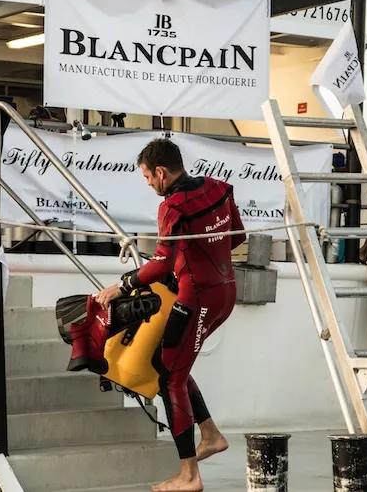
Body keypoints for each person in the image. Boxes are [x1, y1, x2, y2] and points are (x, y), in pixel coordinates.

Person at [94, 137, 244, 492]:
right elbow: (235, 236)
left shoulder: (172, 207)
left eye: (148, 177)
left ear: (161, 172)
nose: (148, 184)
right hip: (225, 290)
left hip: (197, 298)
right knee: (171, 365)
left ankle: (189, 476)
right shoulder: (218, 188)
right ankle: (210, 435)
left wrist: (123, 285)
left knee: (170, 378)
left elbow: (160, 264)